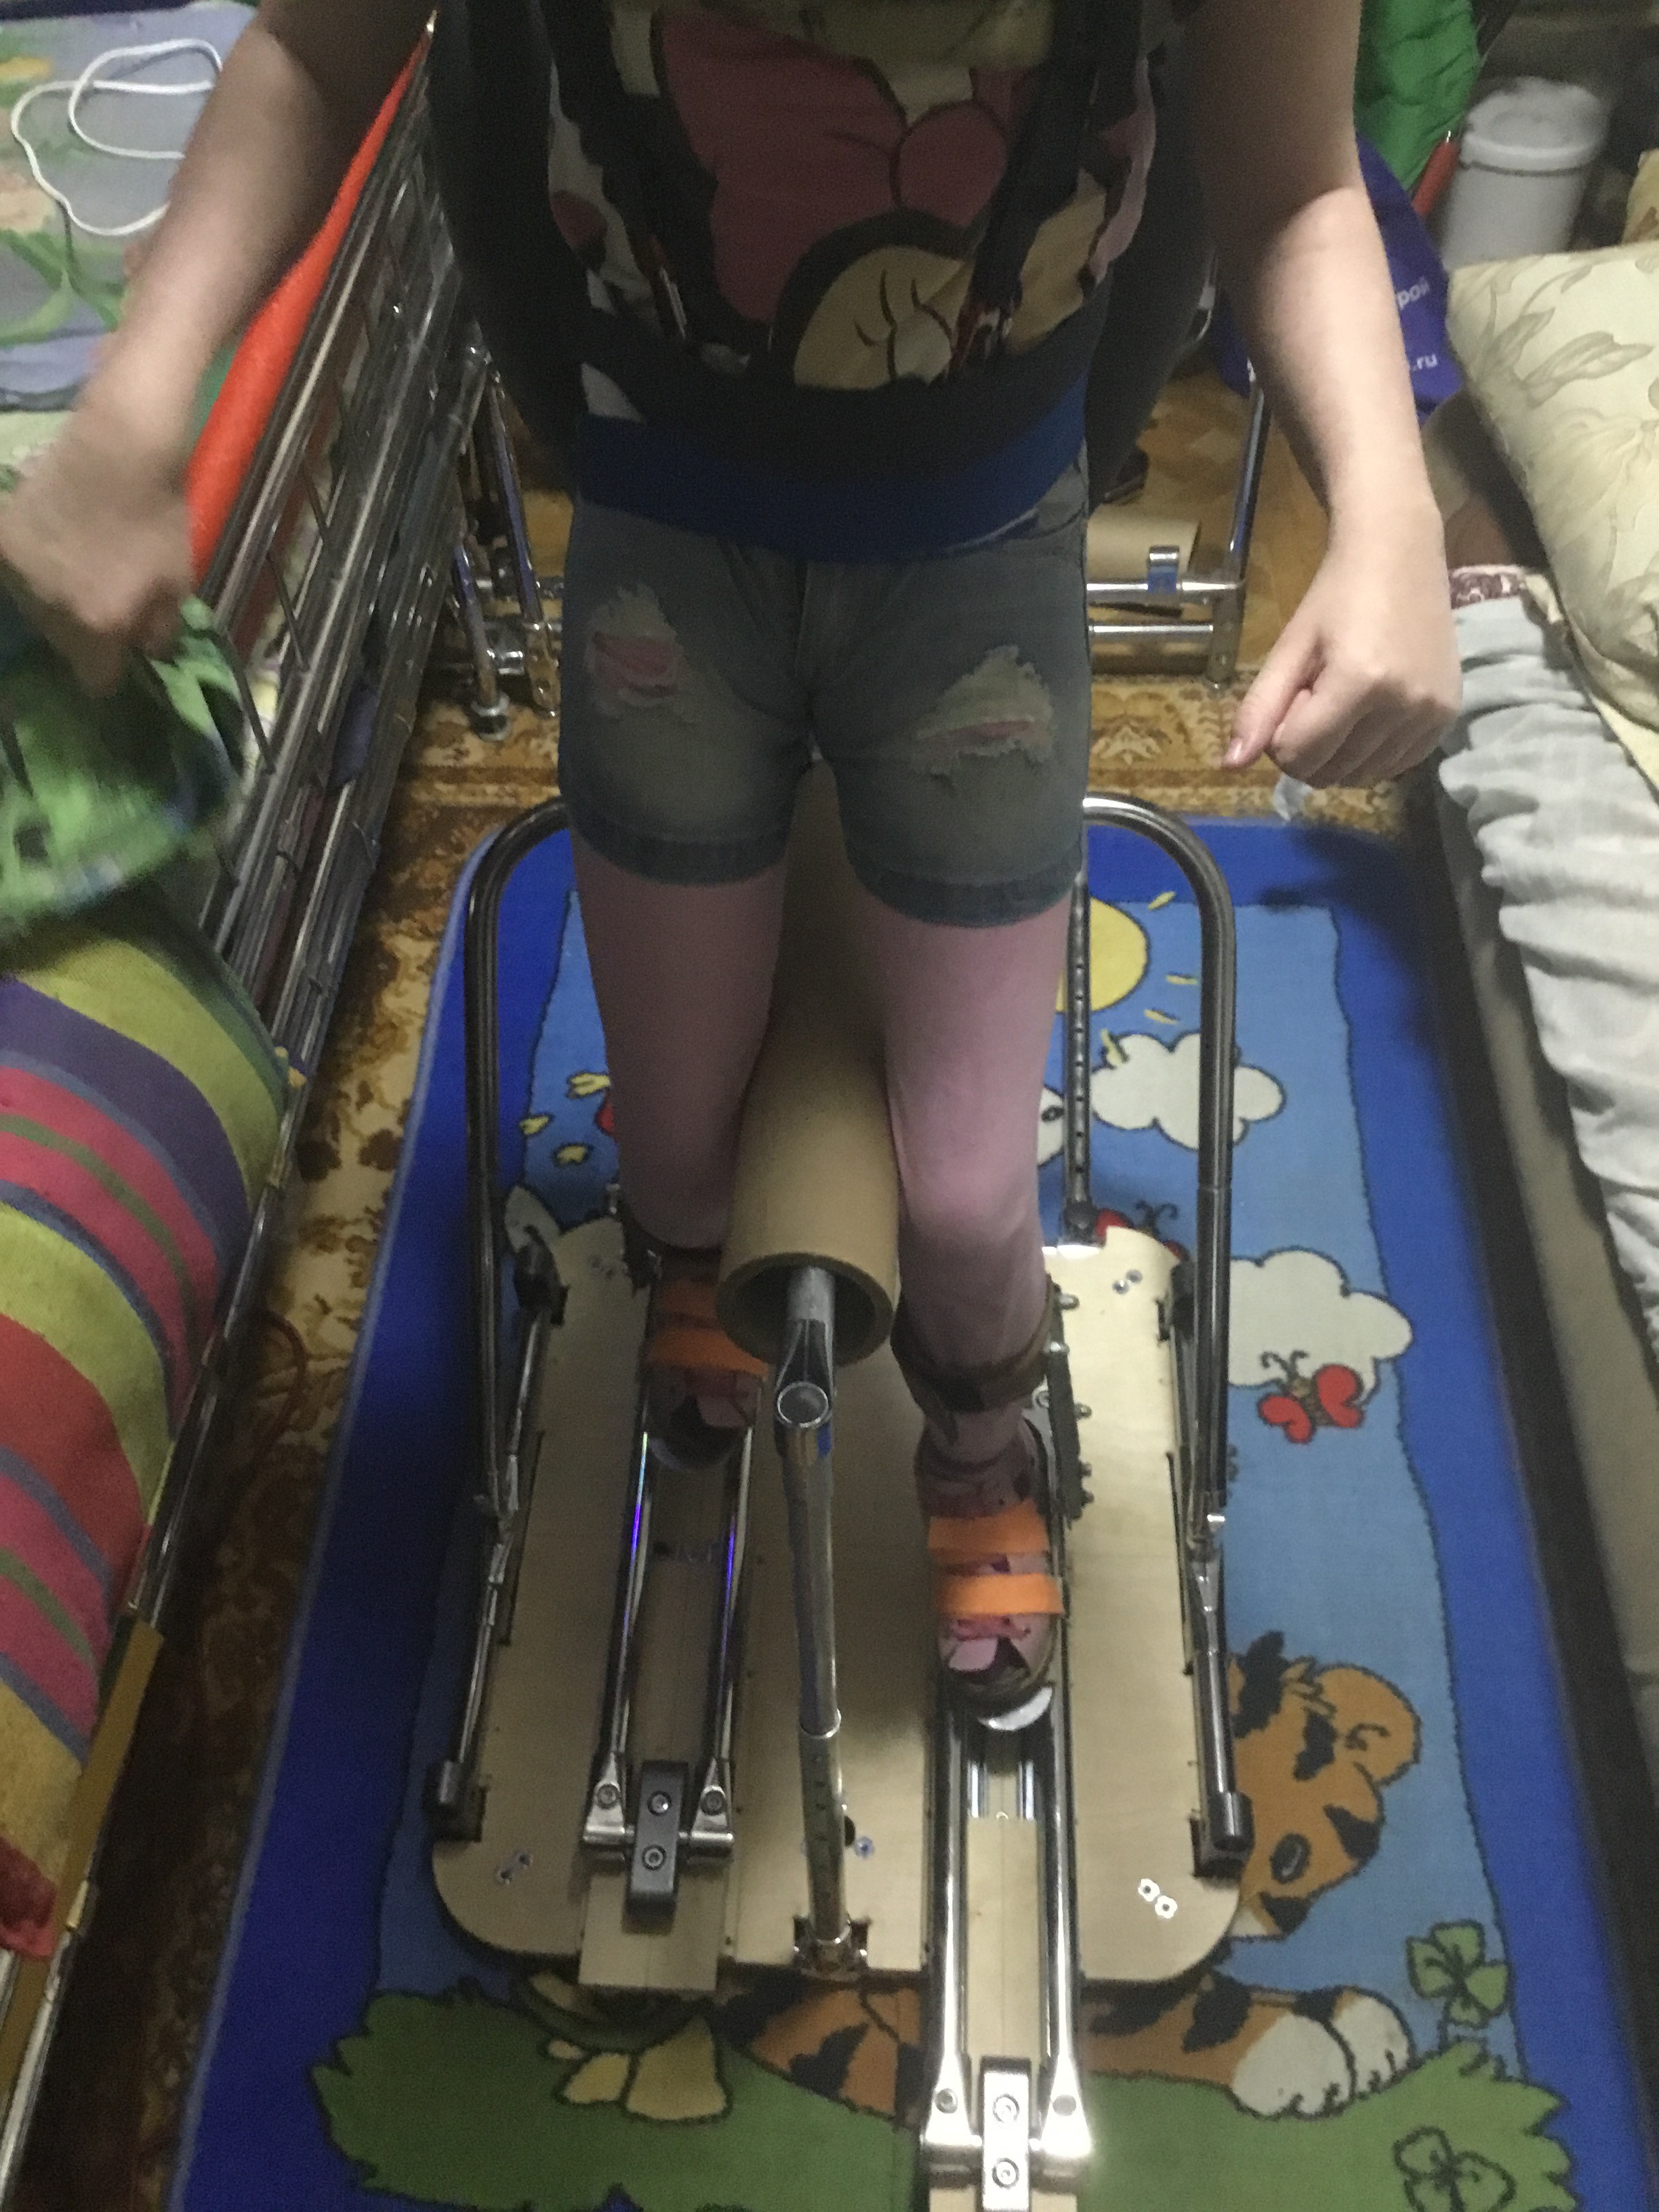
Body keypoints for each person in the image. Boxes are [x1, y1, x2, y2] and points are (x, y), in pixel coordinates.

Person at [0, 0, 1460, 1714]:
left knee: (968, 1195)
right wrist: (131, 414)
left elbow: (1292, 182)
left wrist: (1392, 512)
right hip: (662, 544)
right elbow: (319, 52)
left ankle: (978, 1440)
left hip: (983, 561)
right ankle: (691, 1276)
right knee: (678, 1142)